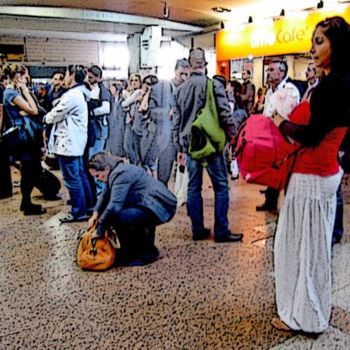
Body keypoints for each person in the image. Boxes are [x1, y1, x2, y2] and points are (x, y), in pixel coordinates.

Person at [271, 16, 350, 333]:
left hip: (311, 174)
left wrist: (280, 123)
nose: (313, 49)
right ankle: (310, 311)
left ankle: (303, 316)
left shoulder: (334, 84)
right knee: (313, 249)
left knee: (301, 249)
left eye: (320, 41)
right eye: (313, 41)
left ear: (338, 45)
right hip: (325, 170)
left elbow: (312, 135)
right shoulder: (340, 80)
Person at [173, 47, 243, 243]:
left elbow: (176, 123)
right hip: (211, 144)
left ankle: (197, 229)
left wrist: (179, 148)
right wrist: (232, 138)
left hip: (191, 147)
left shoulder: (180, 90)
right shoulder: (213, 85)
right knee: (220, 186)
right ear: (205, 64)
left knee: (193, 187)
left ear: (189, 64)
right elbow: (225, 114)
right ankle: (221, 230)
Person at [87, 152, 177, 266]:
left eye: (98, 176)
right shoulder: (118, 170)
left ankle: (145, 254)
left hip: (158, 207)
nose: (98, 179)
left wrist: (99, 230)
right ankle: (137, 251)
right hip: (153, 204)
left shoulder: (120, 174)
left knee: (117, 217)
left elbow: (114, 206)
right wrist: (95, 213)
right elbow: (106, 193)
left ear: (106, 168)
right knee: (126, 215)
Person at [44, 65, 94, 223]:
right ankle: (89, 206)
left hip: (69, 143)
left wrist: (45, 118)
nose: (64, 78)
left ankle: (79, 212)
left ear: (72, 76)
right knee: (80, 175)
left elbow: (55, 115)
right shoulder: (79, 94)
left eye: (65, 75)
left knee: (72, 179)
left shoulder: (72, 95)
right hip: (75, 142)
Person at [256, 58, 300, 212]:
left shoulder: (290, 90)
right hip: (270, 137)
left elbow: (288, 115)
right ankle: (270, 201)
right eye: (268, 70)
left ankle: (288, 205)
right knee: (272, 170)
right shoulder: (269, 91)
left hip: (284, 137)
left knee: (286, 172)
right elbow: (267, 113)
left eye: (271, 70)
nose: (268, 73)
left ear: (282, 73)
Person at [2, 64, 45, 215]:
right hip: (24, 138)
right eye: (25, 75)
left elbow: (35, 109)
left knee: (30, 170)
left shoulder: (12, 92)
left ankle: (26, 202)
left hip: (25, 137)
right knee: (29, 171)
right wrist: (25, 91)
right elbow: (34, 109)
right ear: (18, 76)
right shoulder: (11, 93)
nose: (27, 78)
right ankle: (26, 204)